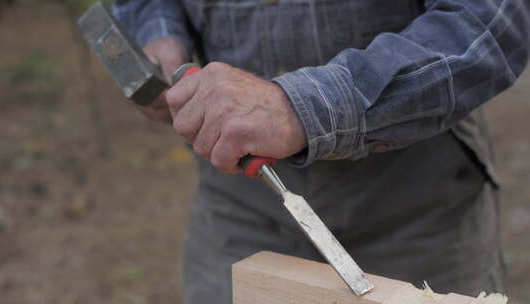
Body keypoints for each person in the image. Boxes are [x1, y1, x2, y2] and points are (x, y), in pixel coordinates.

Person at [112, 0, 529, 303]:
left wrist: (300, 107)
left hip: (418, 206)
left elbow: (493, 22)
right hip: (240, 208)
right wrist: (158, 31)